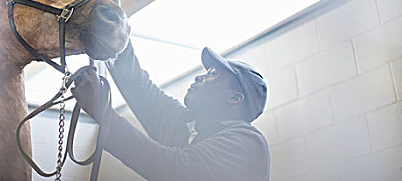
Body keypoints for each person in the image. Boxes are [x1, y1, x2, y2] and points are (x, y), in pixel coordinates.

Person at [72, 41, 270, 181]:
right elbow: (136, 84)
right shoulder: (185, 123)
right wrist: (110, 14)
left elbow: (175, 170)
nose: (200, 77)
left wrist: (104, 113)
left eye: (213, 74)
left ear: (235, 98)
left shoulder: (247, 141)